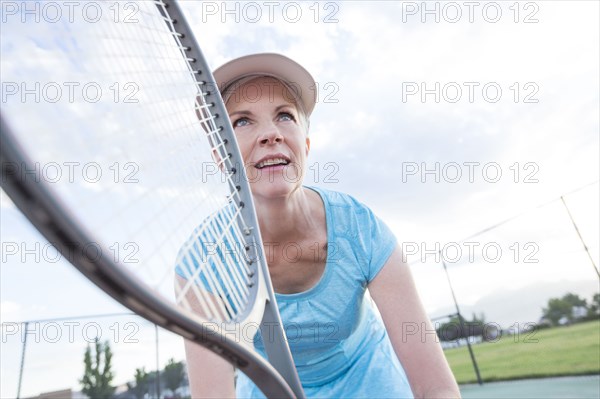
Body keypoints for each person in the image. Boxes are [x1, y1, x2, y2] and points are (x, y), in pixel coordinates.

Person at [181, 53, 461, 399]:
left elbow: (436, 388)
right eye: (241, 121)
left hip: (369, 379)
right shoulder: (201, 264)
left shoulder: (361, 228)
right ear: (221, 157)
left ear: (306, 145)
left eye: (284, 116)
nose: (270, 133)